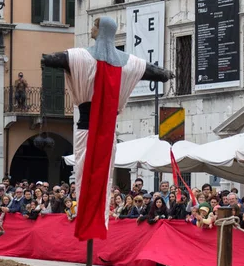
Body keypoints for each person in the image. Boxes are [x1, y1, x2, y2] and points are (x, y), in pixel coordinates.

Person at [41, 16, 171, 241]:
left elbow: (57, 59)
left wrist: (47, 59)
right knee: (100, 180)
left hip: (86, 129)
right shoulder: (126, 62)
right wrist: (165, 74)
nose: (91, 29)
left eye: (94, 26)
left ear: (101, 31)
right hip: (107, 133)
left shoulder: (82, 57)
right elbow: (150, 70)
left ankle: (87, 222)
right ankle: (96, 222)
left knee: (83, 177)